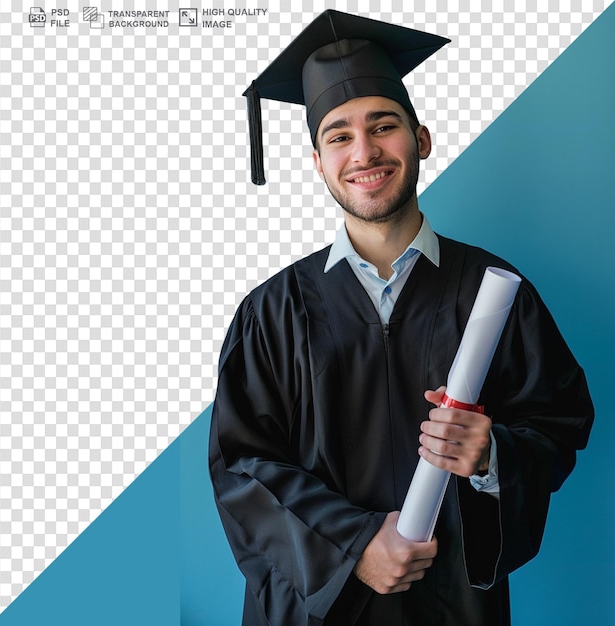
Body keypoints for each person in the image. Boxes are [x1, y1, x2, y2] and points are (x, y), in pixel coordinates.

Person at [208, 10, 594, 626]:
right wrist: (354, 545)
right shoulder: (271, 312)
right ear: (317, 161)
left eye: (383, 126)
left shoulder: (498, 294)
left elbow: (560, 423)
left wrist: (492, 454)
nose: (364, 152)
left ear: (421, 138)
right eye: (338, 135)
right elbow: (242, 468)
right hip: (316, 613)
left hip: (453, 609)